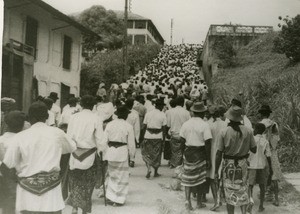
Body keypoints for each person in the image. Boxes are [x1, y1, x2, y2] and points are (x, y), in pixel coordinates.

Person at [0, 102, 76, 214]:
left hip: (27, 192)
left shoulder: (20, 137)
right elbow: (71, 147)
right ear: (47, 117)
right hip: (51, 191)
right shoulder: (58, 133)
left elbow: (9, 162)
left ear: (29, 118)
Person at [67, 95, 106, 214]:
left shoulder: (74, 117)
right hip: (90, 154)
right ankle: (84, 209)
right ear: (94, 105)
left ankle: (74, 207)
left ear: (81, 104)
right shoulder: (96, 118)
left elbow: (69, 137)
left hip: (75, 153)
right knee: (88, 182)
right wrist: (102, 151)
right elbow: (100, 139)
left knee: (75, 180)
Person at [215, 106, 257, 214]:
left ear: (229, 118)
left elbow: (219, 153)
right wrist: (244, 143)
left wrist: (216, 171)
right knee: (243, 189)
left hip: (228, 165)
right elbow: (254, 149)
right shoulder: (248, 130)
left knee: (229, 192)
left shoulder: (224, 131)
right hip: (242, 164)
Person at [179, 102, 212, 210]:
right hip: (200, 154)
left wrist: (182, 154)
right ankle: (198, 202)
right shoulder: (205, 125)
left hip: (188, 153)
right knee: (200, 179)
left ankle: (188, 200)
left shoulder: (186, 124)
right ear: (203, 113)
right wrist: (208, 159)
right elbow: (208, 143)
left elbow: (182, 141)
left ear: (193, 112)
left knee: (187, 179)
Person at [103, 106, 136, 206]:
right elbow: (131, 144)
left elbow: (104, 140)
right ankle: (118, 199)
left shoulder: (110, 125)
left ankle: (110, 197)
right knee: (121, 176)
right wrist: (132, 157)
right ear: (126, 115)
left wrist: (103, 154)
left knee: (112, 174)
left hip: (111, 151)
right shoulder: (128, 126)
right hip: (122, 152)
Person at [0, 111, 26, 214]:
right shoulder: (25, 139)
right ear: (23, 125)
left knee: (8, 205)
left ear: (6, 124)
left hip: (4, 175)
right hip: (22, 174)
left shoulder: (1, 140)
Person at [258, 105, 282, 206]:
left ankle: (264, 197)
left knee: (263, 175)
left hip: (263, 153)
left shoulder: (259, 125)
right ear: (269, 113)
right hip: (273, 152)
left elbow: (259, 140)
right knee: (274, 175)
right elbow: (277, 139)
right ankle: (275, 198)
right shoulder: (274, 124)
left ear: (261, 114)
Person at [248, 123, 272, 213]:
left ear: (257, 130)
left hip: (252, 165)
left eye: (254, 128)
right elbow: (268, 156)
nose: (253, 130)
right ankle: (261, 206)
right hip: (262, 166)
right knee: (262, 186)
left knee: (250, 186)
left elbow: (247, 152)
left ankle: (249, 204)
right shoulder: (265, 141)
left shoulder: (251, 139)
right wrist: (270, 169)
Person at [207, 105, 227, 211]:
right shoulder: (226, 124)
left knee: (212, 177)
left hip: (212, 150)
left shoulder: (209, 124)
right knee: (222, 176)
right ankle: (223, 197)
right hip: (224, 150)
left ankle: (216, 201)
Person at [141, 99, 167, 178]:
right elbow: (164, 128)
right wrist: (164, 137)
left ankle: (148, 168)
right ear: (161, 106)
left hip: (148, 135)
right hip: (158, 136)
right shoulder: (163, 114)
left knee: (147, 153)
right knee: (157, 154)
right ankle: (155, 172)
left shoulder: (148, 114)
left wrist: (142, 137)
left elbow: (144, 126)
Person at [166, 96, 190, 168]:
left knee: (174, 152)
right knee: (182, 151)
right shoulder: (187, 112)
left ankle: (175, 166)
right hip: (184, 135)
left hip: (174, 134)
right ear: (183, 103)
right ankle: (180, 166)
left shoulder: (170, 111)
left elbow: (168, 125)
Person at [125, 99, 140, 168]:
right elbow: (137, 127)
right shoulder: (135, 113)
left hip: (123, 131)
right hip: (131, 131)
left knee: (124, 146)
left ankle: (126, 159)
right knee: (131, 145)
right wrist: (137, 137)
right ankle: (132, 160)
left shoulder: (122, 111)